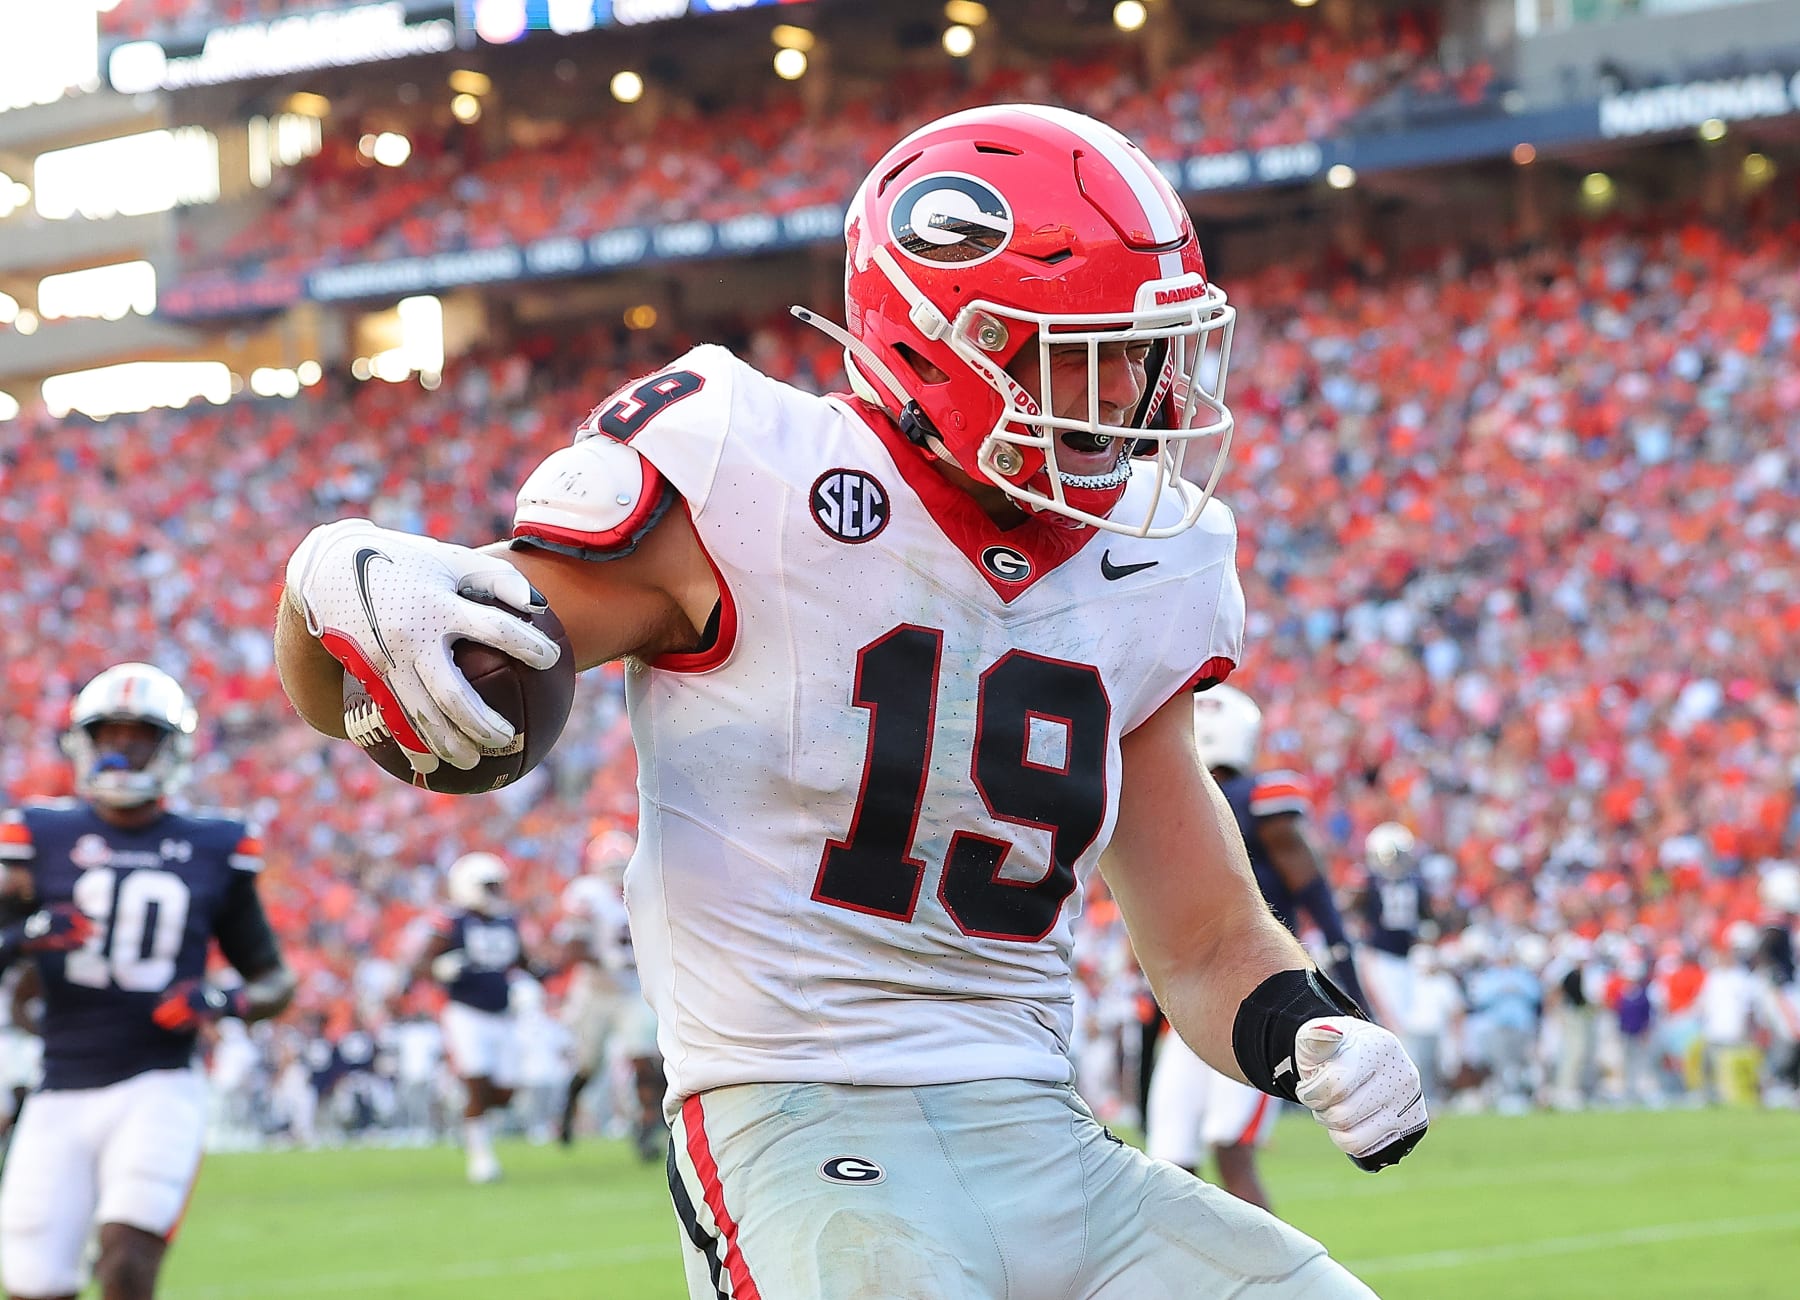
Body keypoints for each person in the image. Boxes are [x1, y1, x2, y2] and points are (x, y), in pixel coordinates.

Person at [277, 104, 1426, 1297]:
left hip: (1048, 1139)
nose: (1133, 394)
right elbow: (437, 670)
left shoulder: (1152, 560)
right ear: (942, 341)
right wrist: (321, 599)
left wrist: (1307, 1029)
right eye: (1082, 350)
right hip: (794, 1126)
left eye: (1142, 352)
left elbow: (1203, 943)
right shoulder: (745, 466)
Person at [0, 663, 296, 1300]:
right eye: (110, 735)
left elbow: (274, 980)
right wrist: (19, 938)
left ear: (174, 748)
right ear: (84, 743)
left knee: (127, 1260)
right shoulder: (37, 836)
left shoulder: (215, 845)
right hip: (59, 1087)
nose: (122, 749)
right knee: (33, 1283)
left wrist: (221, 1000)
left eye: (141, 736)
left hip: (159, 1083)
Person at [1144, 684, 1372, 1212]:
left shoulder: (1226, 801)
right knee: (1175, 1160)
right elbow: (1316, 893)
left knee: (1225, 1148)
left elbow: (1309, 886)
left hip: (1246, 1001)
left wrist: (1346, 976)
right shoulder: (1181, 801)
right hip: (1197, 1005)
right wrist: (1346, 969)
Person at [411, 851, 529, 1183]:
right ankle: (481, 1158)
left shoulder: (508, 921)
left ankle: (458, 1103)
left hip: (502, 1014)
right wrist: (439, 967)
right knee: (477, 1083)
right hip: (466, 1013)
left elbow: (524, 961)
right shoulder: (451, 921)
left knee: (505, 1093)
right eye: (489, 886)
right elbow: (420, 964)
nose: (496, 893)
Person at [555, 829, 665, 1159]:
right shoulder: (587, 895)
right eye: (609, 868)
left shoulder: (649, 890)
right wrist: (604, 959)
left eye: (621, 866)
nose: (616, 875)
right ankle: (568, 1110)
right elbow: (571, 948)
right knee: (589, 1064)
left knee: (644, 1059)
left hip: (633, 990)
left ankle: (646, 1130)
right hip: (594, 991)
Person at [1350, 823, 1432, 1030]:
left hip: (1408, 954)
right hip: (1383, 954)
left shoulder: (1413, 882)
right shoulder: (1369, 883)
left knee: (1410, 1015)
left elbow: (1427, 919)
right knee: (1391, 1014)